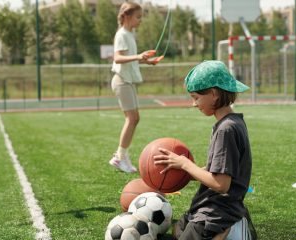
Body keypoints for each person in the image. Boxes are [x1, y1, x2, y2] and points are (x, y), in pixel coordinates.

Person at [153, 61, 257, 239]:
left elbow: (221, 184)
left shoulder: (226, 129)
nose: (194, 104)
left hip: (218, 211)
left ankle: (231, 229)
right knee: (178, 230)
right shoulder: (232, 122)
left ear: (214, 94)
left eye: (196, 97)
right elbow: (219, 171)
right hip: (210, 204)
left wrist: (185, 164)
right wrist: (180, 171)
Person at [109, 2, 155, 173]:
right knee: (133, 119)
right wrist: (139, 55)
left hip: (126, 81)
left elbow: (129, 57)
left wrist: (146, 60)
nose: (140, 20)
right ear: (127, 16)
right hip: (122, 81)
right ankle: (119, 157)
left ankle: (121, 155)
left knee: (134, 118)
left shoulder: (129, 34)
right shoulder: (122, 34)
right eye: (138, 17)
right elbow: (118, 58)